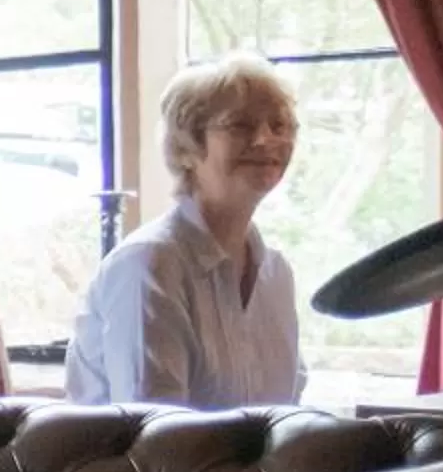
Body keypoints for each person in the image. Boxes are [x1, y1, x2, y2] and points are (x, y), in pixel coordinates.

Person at [64, 53, 306, 409]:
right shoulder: (148, 265)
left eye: (280, 125)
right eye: (240, 125)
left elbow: (284, 411)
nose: (265, 139)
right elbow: (154, 430)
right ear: (186, 149)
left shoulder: (277, 272)